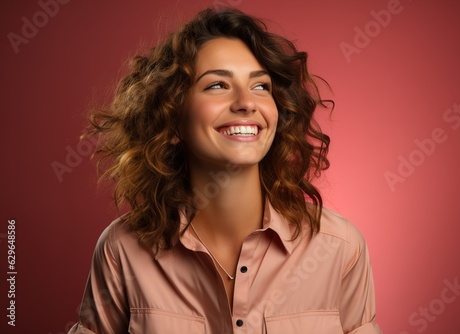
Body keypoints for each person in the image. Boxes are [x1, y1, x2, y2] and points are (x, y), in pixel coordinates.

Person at [68, 7, 381, 334]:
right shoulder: (122, 251)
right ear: (172, 120)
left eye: (261, 87)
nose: (247, 103)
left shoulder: (340, 248)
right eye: (218, 85)